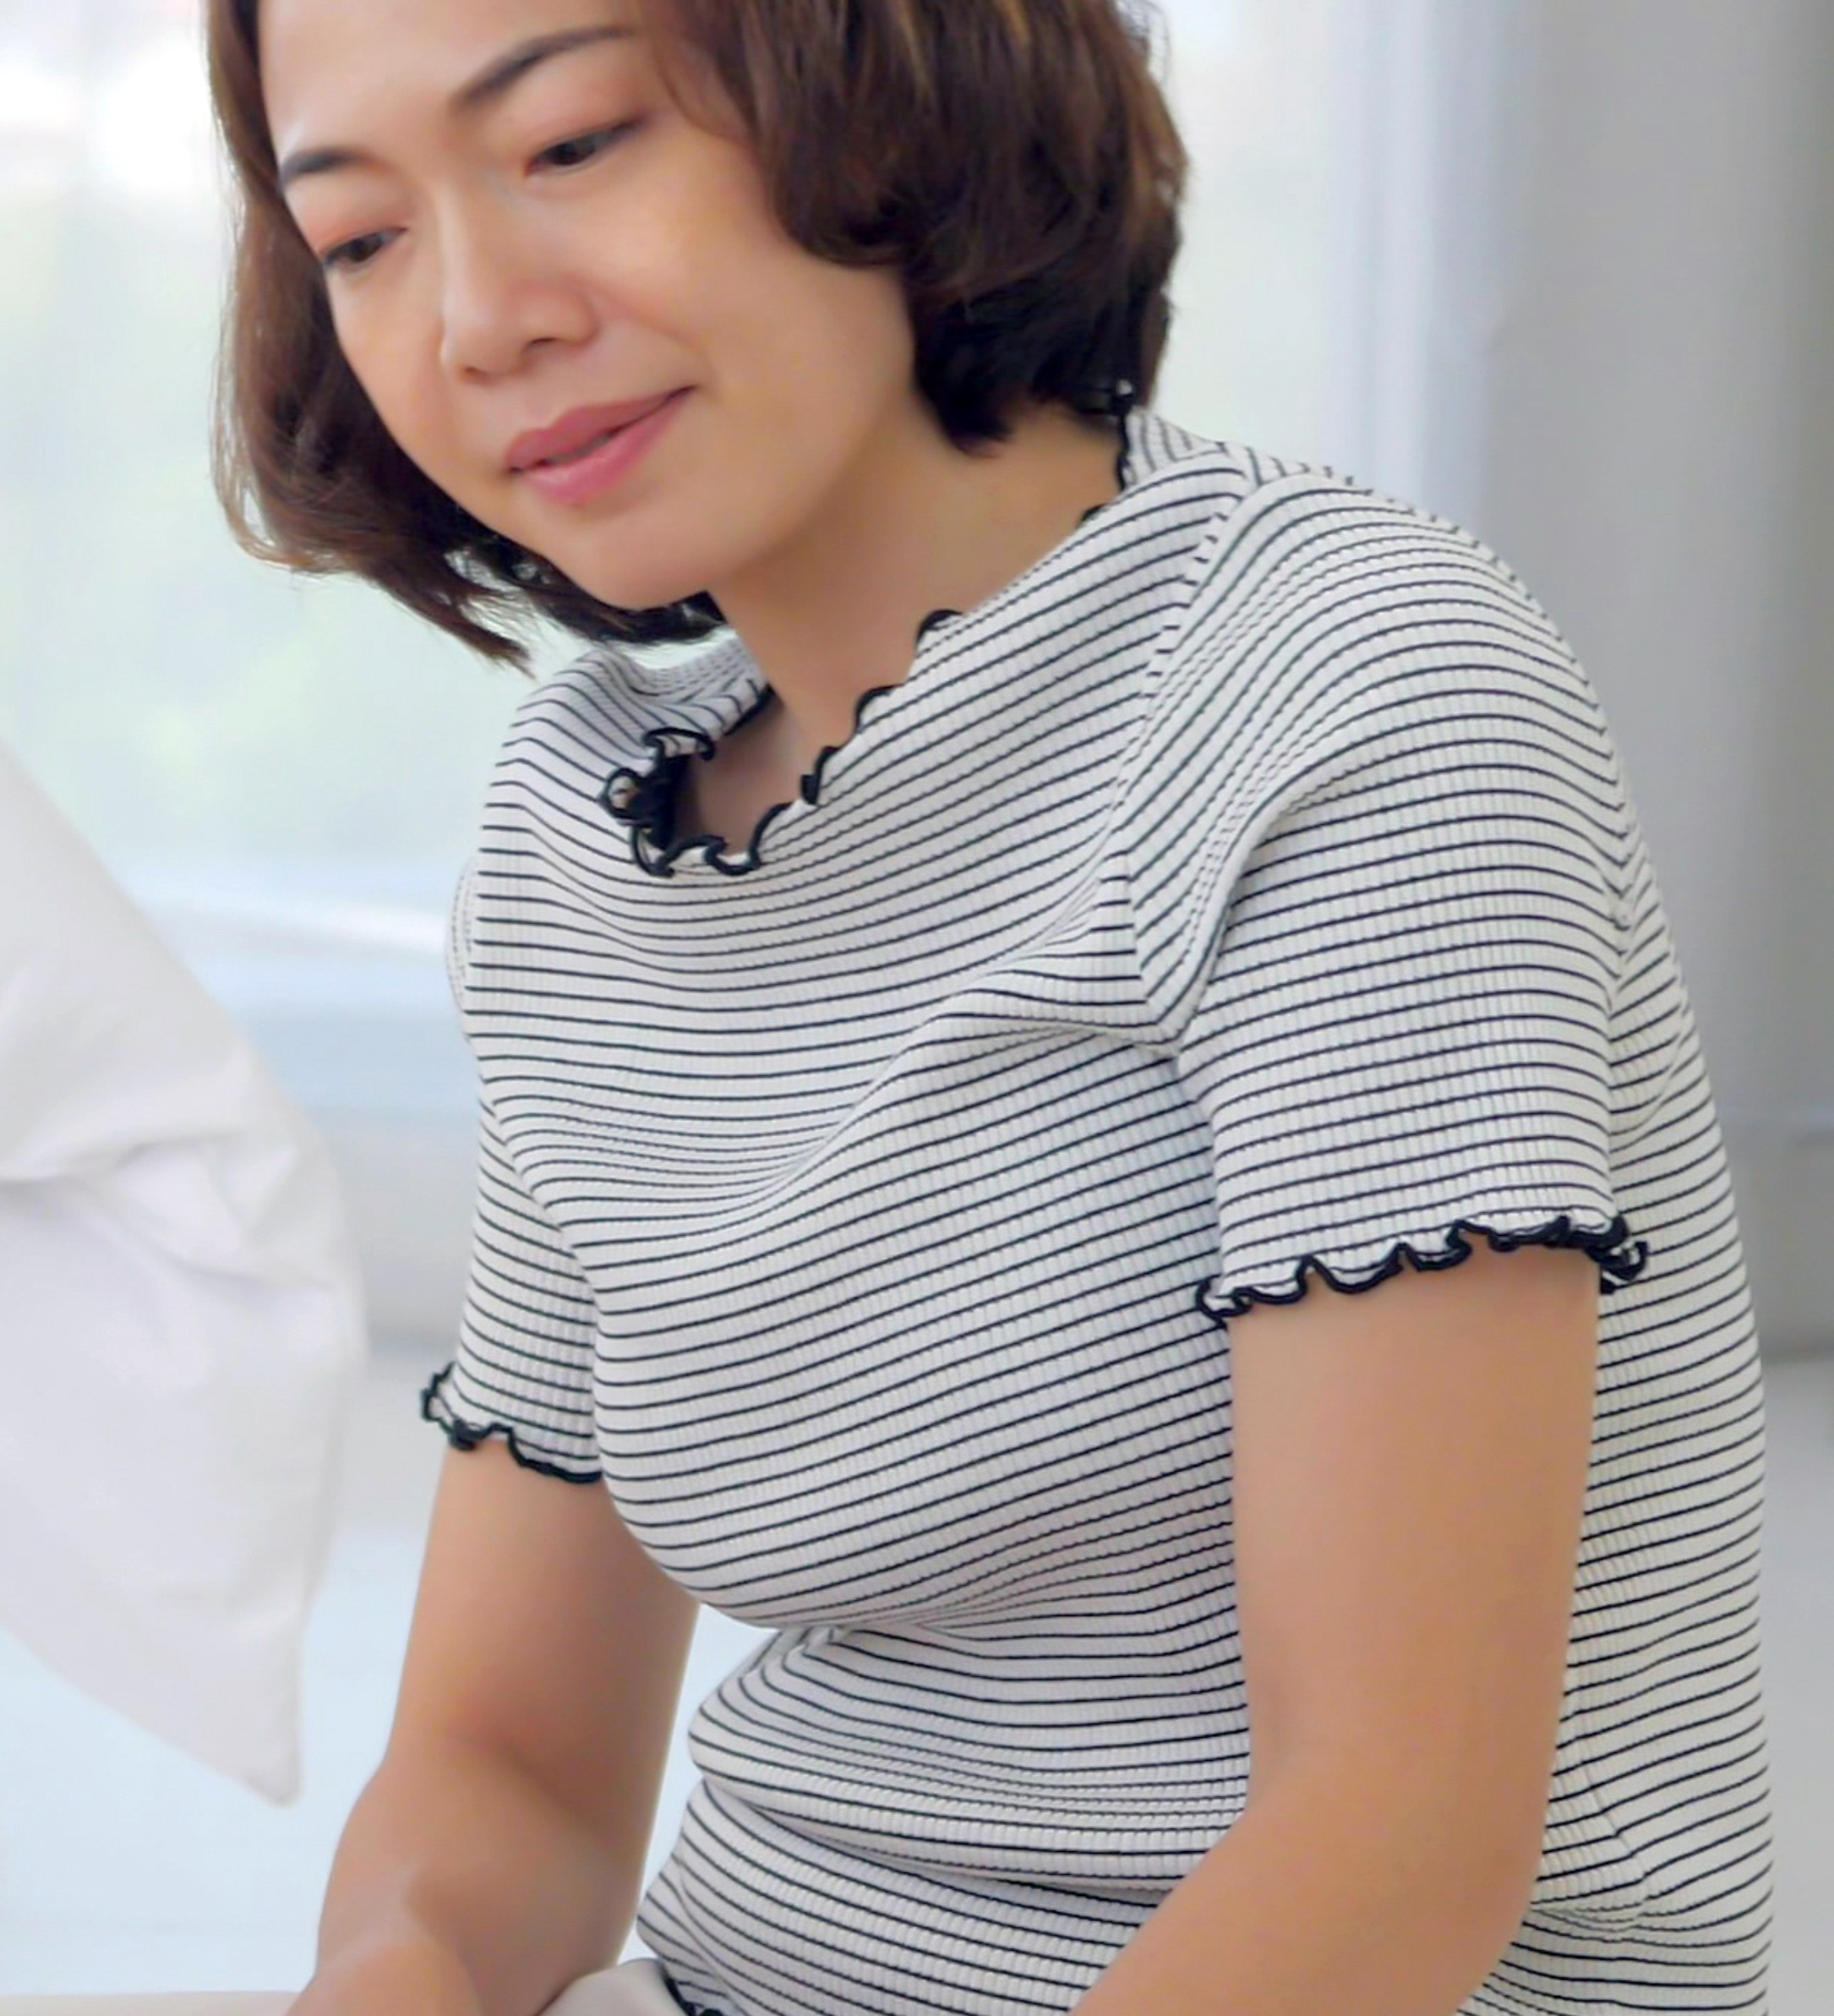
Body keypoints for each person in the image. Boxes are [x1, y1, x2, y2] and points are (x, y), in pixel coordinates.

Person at [204, 0, 1771, 2011]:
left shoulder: (1346, 694)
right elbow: (510, 1766)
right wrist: (397, 1977)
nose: (476, 318)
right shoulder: (579, 838)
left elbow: (1395, 1835)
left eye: (577, 141)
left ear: (893, 75)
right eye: (358, 238)